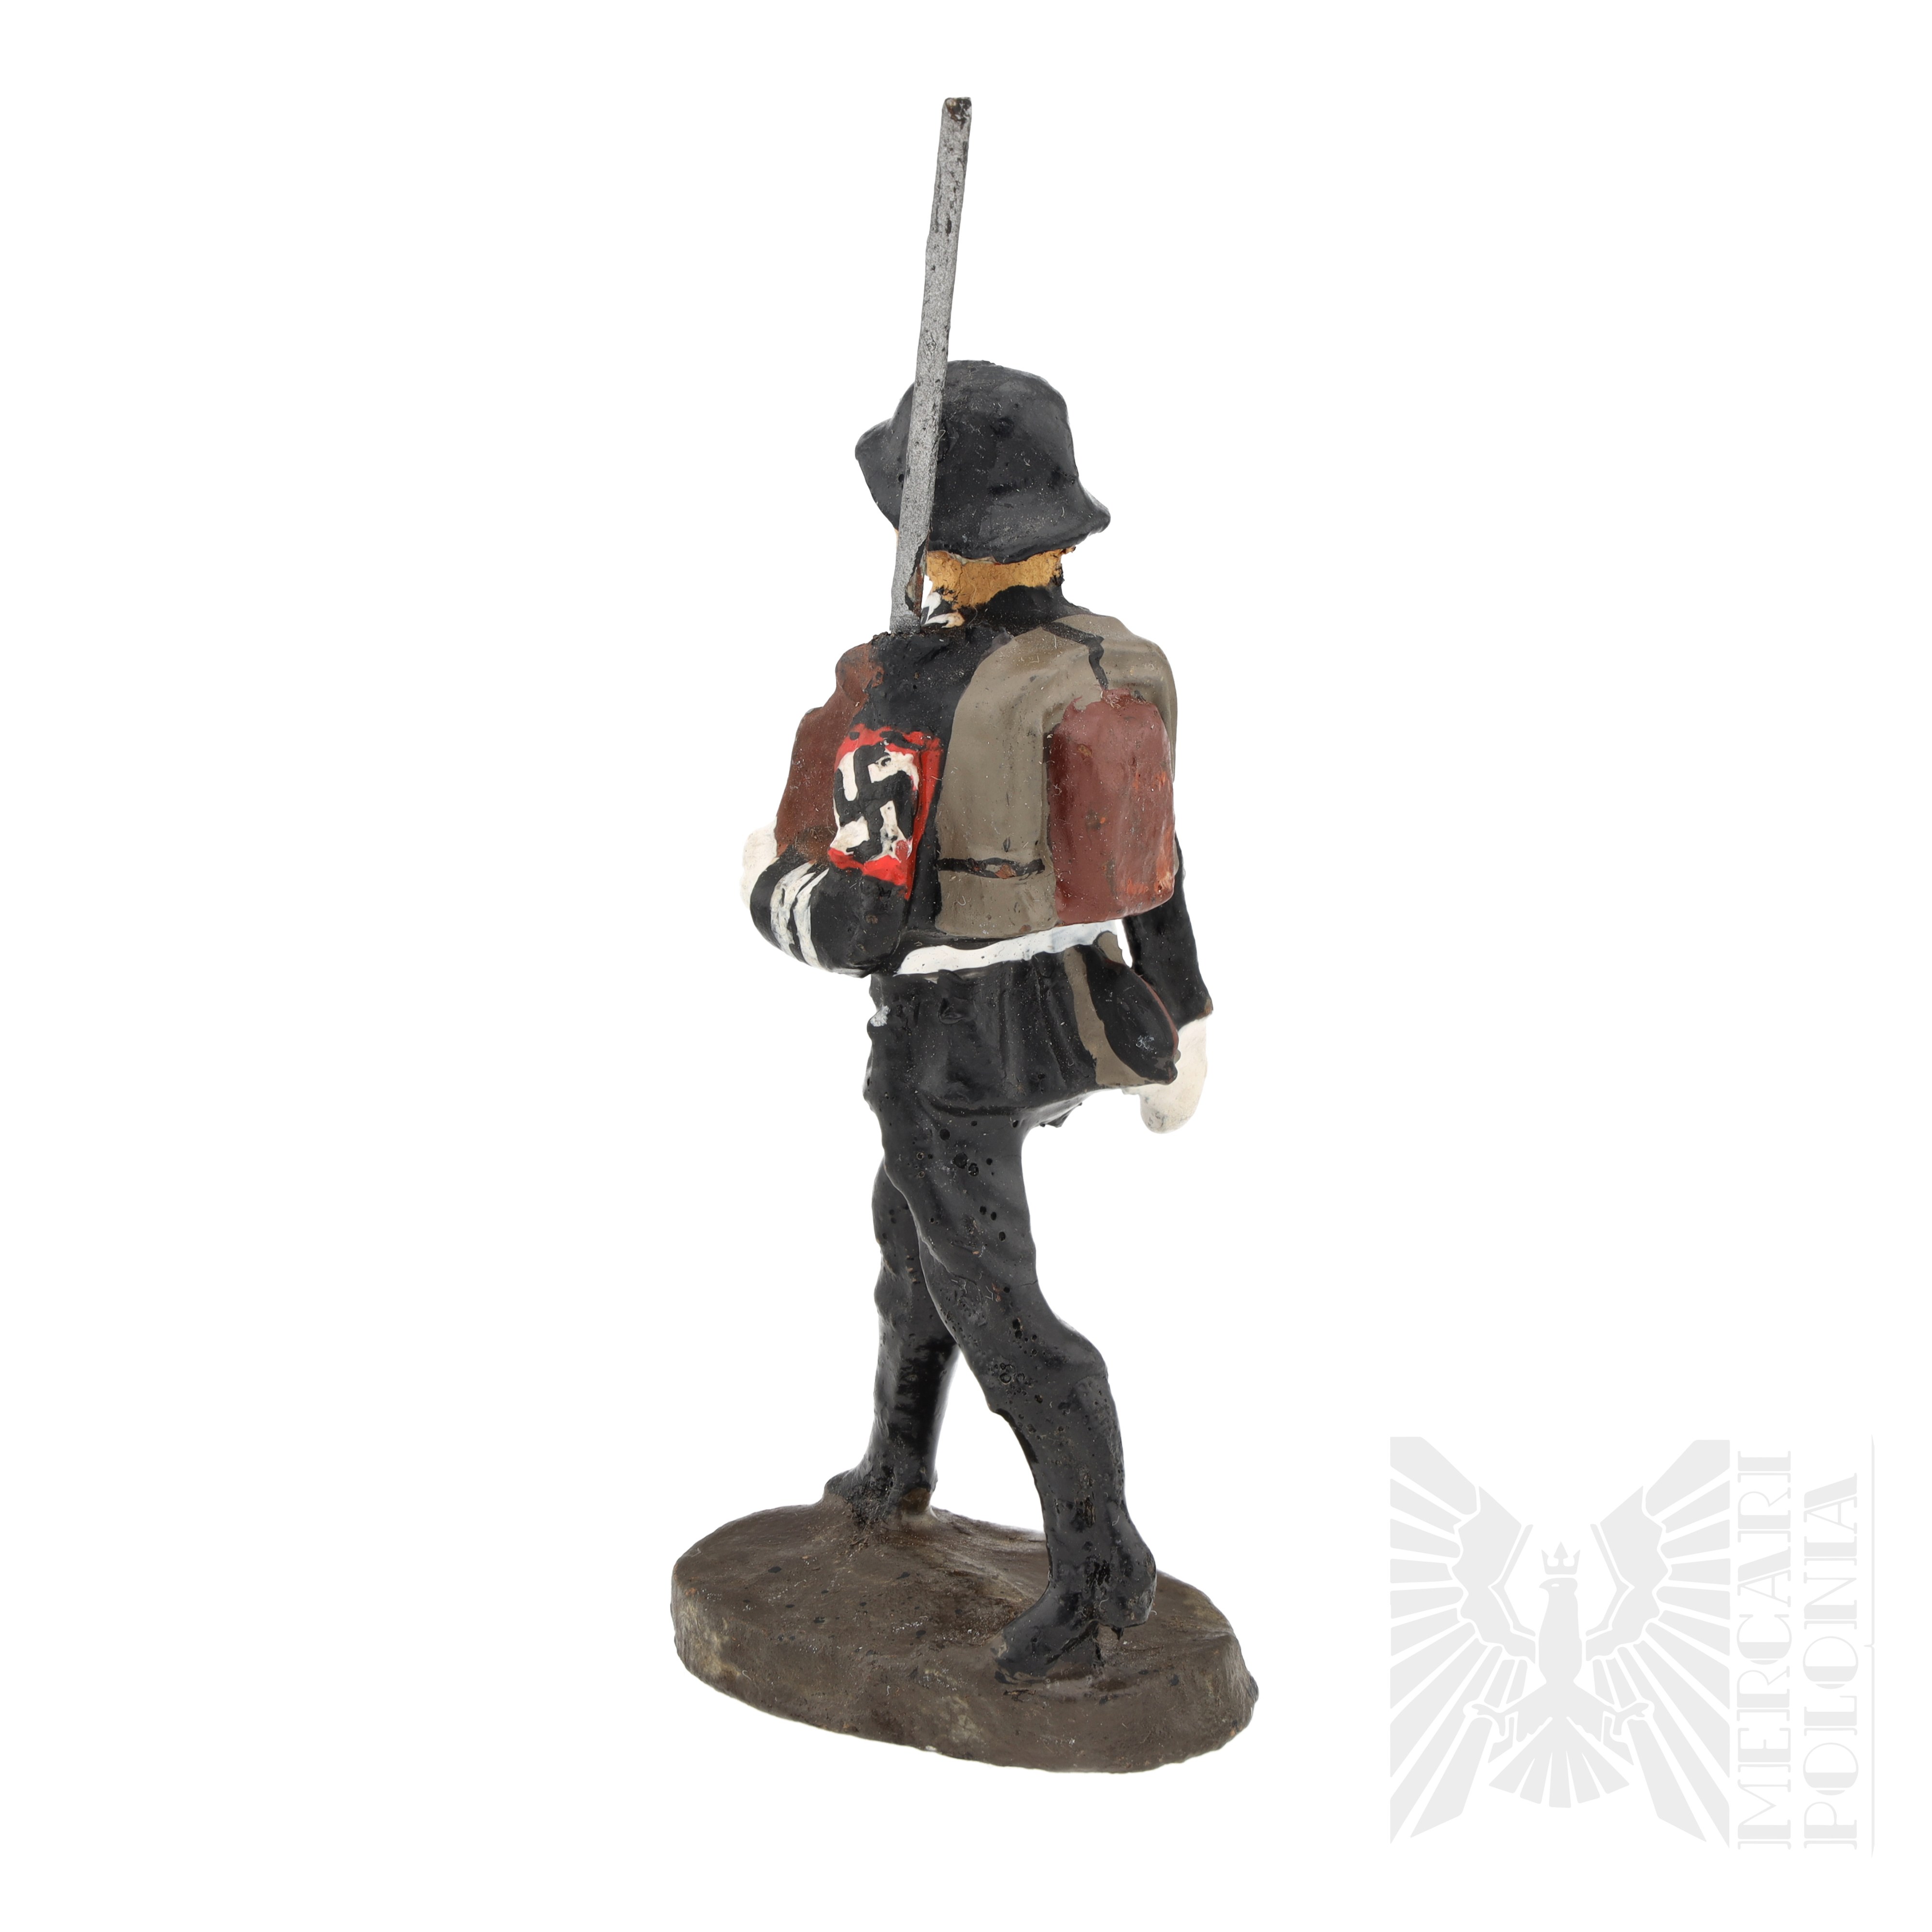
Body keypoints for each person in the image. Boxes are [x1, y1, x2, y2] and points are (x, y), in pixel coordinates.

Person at [741, 361, 1211, 1678]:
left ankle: (1103, 1574)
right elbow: (1162, 861)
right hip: (1073, 1012)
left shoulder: (911, 690)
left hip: (949, 1048)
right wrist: (1186, 1013)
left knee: (1004, 1316)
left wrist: (767, 891)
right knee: (915, 1252)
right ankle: (896, 1469)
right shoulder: (1105, 663)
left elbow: (862, 921)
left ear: (939, 548)